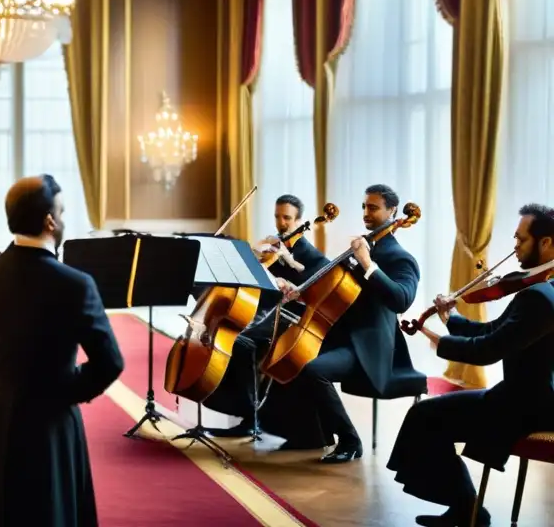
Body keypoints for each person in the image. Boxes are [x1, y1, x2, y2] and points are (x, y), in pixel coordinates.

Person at [0, 174, 125, 527]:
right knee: (51, 510)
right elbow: (109, 363)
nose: (64, 219)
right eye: (63, 211)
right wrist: (65, 389)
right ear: (50, 220)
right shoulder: (76, 284)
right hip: (51, 419)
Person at [388, 203, 554, 527]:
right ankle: (465, 509)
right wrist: (451, 318)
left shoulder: (539, 297)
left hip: (529, 404)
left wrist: (435, 339)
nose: (515, 247)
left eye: (521, 240)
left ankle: (468, 510)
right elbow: (496, 333)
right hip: (529, 396)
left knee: (425, 417)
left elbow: (487, 350)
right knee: (428, 416)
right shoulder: (541, 290)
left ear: (546, 243)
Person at [258, 184, 420, 462]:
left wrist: (369, 265)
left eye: (373, 208)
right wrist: (297, 290)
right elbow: (330, 289)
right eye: (364, 207)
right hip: (341, 335)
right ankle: (310, 435)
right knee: (288, 355)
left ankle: (350, 440)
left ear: (392, 211)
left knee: (313, 369)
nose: (366, 213)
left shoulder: (399, 258)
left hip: (370, 345)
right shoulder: (362, 247)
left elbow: (402, 300)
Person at [202, 194, 328, 444]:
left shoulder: (312, 257)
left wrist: (290, 268)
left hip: (293, 322)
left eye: (287, 218)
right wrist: (256, 260)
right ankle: (244, 411)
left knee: (240, 342)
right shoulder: (272, 250)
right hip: (264, 319)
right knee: (231, 336)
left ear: (300, 221)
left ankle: (250, 415)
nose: (281, 223)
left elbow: (313, 296)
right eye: (277, 217)